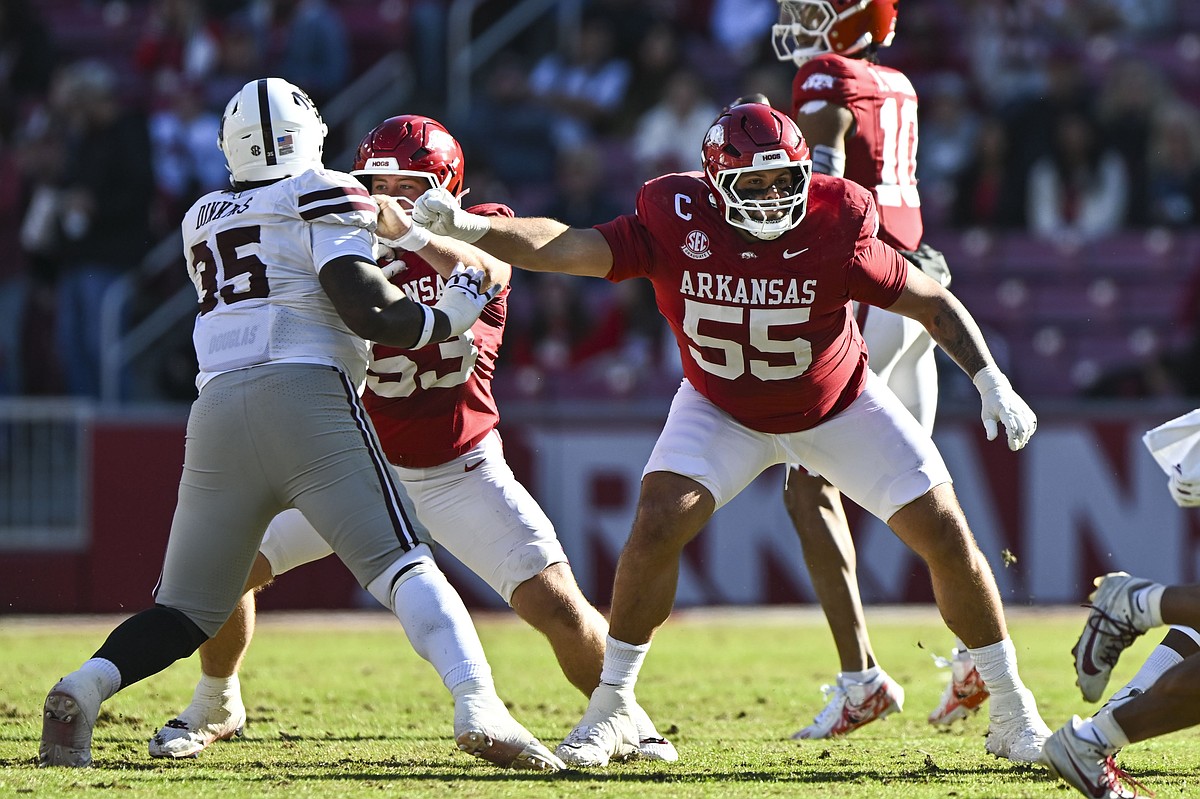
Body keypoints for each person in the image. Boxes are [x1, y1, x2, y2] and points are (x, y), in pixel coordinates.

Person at [410, 101, 1052, 767]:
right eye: (756, 185)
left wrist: (989, 378)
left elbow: (929, 300)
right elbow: (570, 244)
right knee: (657, 522)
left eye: (787, 182)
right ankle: (610, 710)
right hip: (721, 408)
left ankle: (1011, 707)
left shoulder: (839, 218)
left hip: (836, 402)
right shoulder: (675, 215)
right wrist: (467, 228)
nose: (776, 199)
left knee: (945, 531)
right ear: (716, 186)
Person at [38, 78, 564, 773]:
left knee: (189, 608)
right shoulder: (329, 189)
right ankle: (479, 705)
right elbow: (367, 309)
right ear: (310, 134)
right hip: (306, 393)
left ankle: (87, 683)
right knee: (405, 562)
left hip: (218, 408)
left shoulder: (203, 214)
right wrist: (448, 317)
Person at [146, 113, 676, 763]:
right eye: (378, 184)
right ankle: (216, 699)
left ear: (446, 188)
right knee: (229, 566)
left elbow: (487, 267)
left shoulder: (473, 233)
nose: (391, 199)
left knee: (557, 605)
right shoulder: (335, 241)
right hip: (351, 463)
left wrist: (415, 231)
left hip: (459, 466)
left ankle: (626, 716)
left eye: (411, 185)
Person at [770, 0, 972, 738]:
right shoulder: (900, 84)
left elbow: (817, 193)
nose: (795, 18)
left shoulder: (827, 72)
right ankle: (976, 658)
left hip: (866, 293)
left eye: (810, 7)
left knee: (805, 483)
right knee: (922, 492)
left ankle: (861, 677)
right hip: (915, 286)